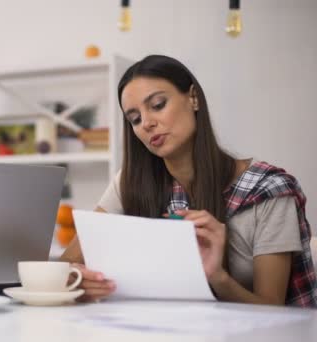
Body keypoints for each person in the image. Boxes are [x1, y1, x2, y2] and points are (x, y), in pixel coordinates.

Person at [61, 55, 317, 307]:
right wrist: (76, 278)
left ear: (193, 98)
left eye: (158, 104)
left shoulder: (269, 190)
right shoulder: (130, 183)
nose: (147, 123)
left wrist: (218, 277)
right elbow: (63, 266)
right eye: (135, 119)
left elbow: (273, 312)